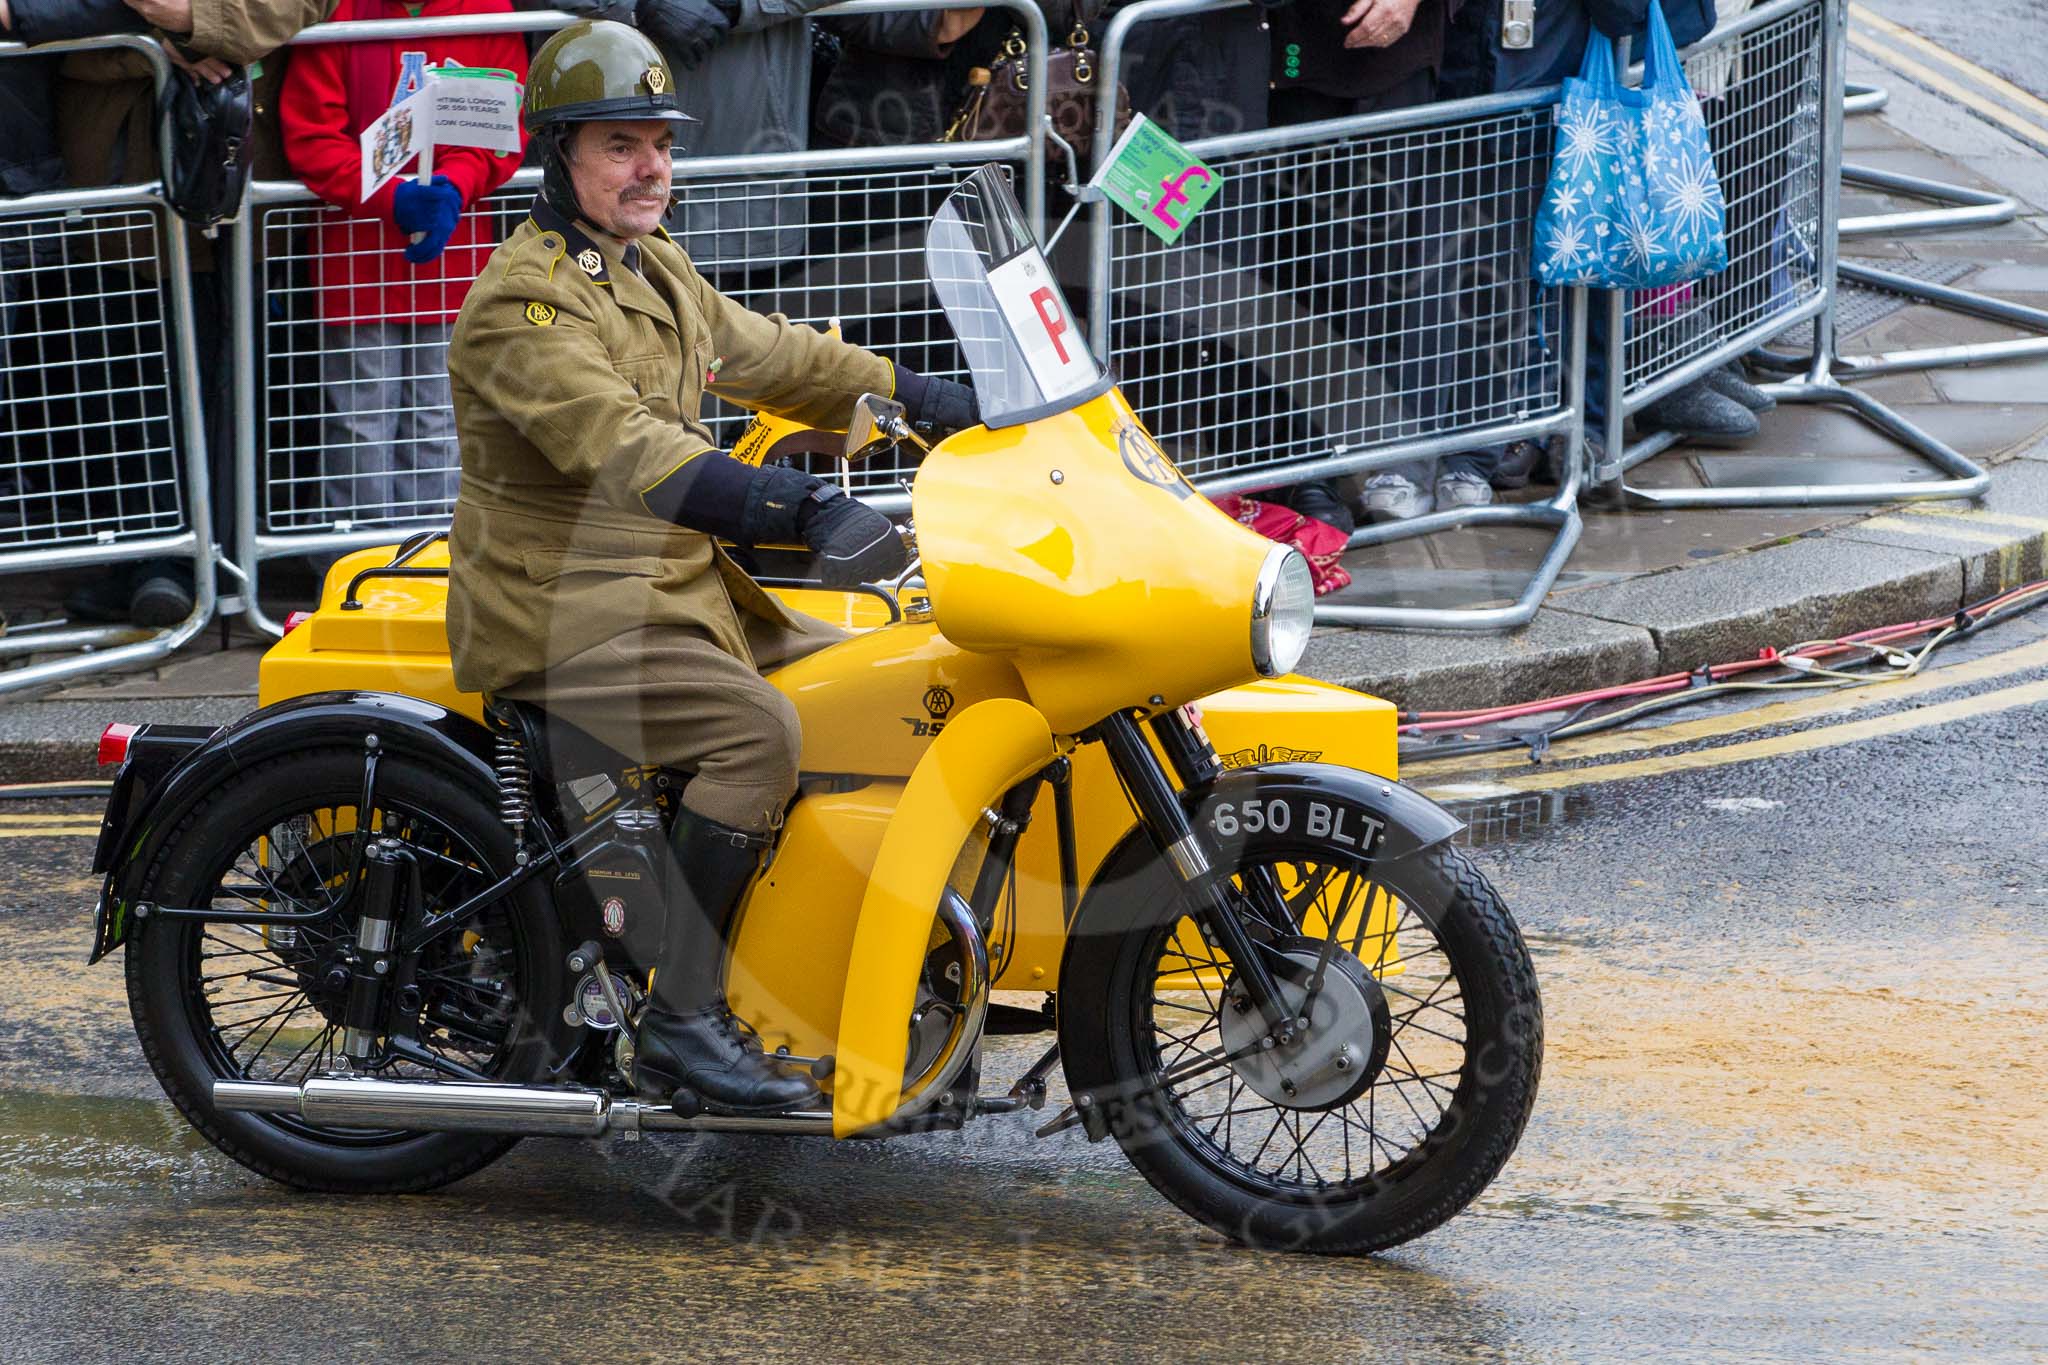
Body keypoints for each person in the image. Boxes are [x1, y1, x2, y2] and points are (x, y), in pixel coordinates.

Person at [445, 20, 977, 1116]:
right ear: (558, 153)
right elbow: (626, 448)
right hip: (565, 610)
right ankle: (681, 1020)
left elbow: (776, 354)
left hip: (668, 587)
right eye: (620, 146)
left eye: (661, 144)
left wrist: (934, 397)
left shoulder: (652, 266)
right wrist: (795, 506)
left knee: (882, 686)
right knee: (758, 735)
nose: (651, 168)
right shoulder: (525, 302)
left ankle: (826, 974)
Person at [278, 0, 529, 527]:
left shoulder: (488, 10)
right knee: (360, 419)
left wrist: (455, 184)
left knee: (440, 419)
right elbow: (312, 138)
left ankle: (430, 554)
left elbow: (505, 125)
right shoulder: (340, 12)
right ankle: (357, 557)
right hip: (355, 256)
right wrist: (390, 196)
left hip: (452, 250)